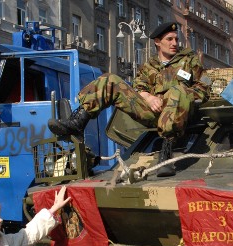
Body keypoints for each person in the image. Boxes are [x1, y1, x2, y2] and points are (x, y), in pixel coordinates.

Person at [47, 22, 210, 177]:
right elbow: (139, 88)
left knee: (177, 91)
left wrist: (179, 95)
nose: (174, 43)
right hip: (153, 113)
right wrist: (149, 97)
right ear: (158, 42)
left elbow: (204, 88)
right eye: (170, 39)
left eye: (176, 39)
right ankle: (78, 121)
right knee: (109, 80)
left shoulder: (189, 60)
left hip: (180, 114)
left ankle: (166, 152)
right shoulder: (149, 66)